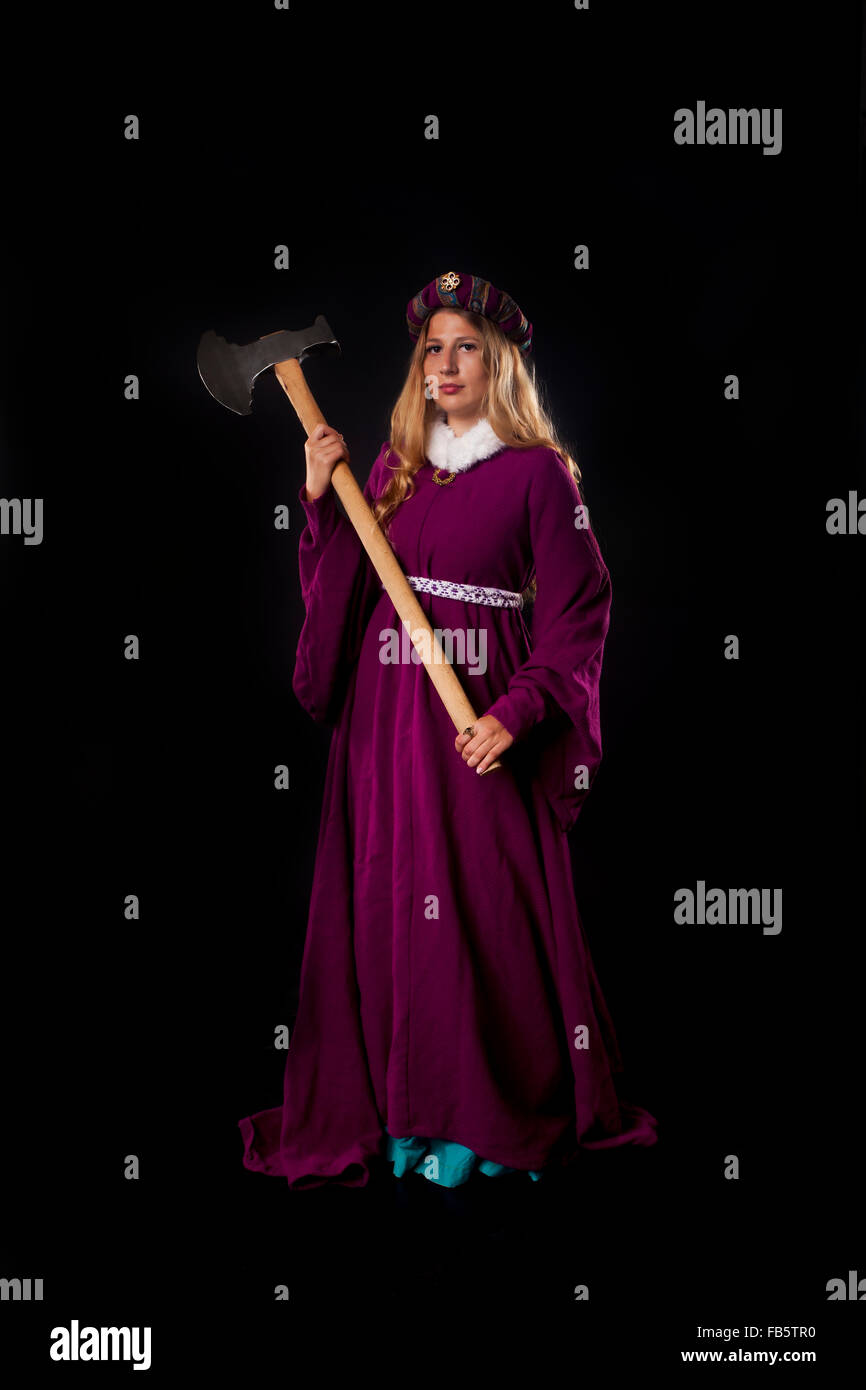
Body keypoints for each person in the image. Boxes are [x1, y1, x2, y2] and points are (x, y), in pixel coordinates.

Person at [238, 270, 658, 1191]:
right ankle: (403, 1115)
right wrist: (319, 499)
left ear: (499, 360)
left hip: (478, 730)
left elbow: (581, 610)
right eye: (434, 347)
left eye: (467, 345)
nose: (447, 363)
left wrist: (518, 712)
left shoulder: (538, 474)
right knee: (393, 905)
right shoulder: (391, 466)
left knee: (481, 915)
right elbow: (347, 593)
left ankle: (484, 1119)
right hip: (386, 735)